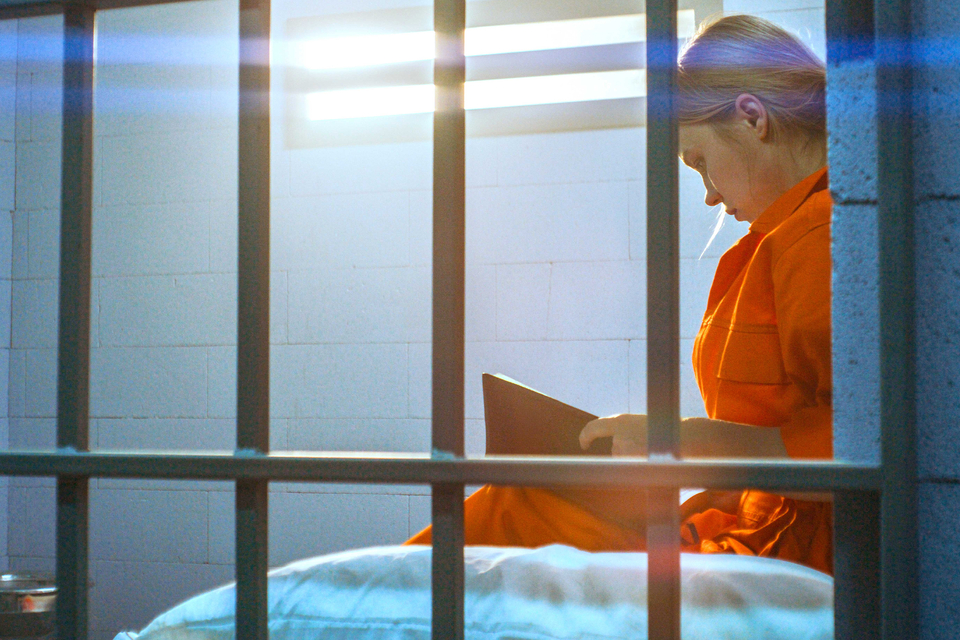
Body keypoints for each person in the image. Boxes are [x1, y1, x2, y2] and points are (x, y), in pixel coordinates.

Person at [408, 14, 835, 575]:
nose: (709, 196)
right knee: (514, 505)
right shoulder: (787, 235)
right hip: (749, 527)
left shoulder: (821, 233)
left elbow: (863, 448)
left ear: (752, 116)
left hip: (786, 549)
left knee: (508, 512)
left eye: (701, 163)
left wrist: (681, 441)